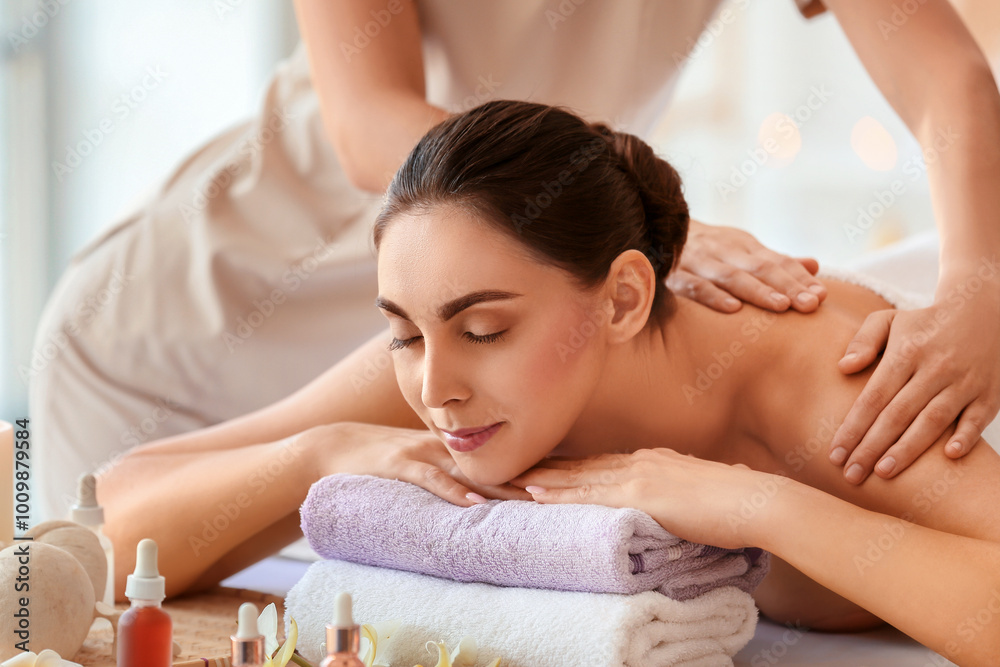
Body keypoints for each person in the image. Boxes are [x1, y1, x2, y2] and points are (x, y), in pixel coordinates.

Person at [105, 99, 1000, 663]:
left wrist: (748, 503)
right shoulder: (444, 367)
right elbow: (108, 515)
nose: (435, 386)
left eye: (484, 328)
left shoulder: (829, 386)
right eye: (402, 331)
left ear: (620, 299)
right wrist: (317, 454)